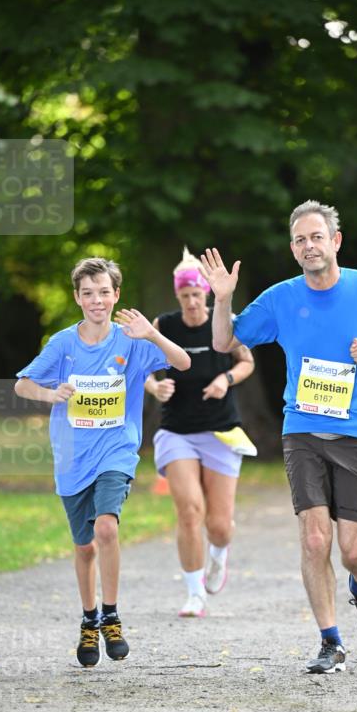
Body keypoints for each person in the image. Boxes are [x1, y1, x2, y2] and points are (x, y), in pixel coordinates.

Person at [201, 200, 357, 674]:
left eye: (317, 237)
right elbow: (224, 342)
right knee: (313, 539)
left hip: (356, 435)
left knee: (356, 552)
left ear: (335, 241)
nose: (309, 246)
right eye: (301, 240)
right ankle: (331, 641)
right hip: (301, 432)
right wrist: (222, 298)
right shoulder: (281, 298)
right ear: (293, 248)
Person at [14, 257, 190, 668]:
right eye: (88, 293)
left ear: (116, 295)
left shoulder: (132, 340)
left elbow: (183, 363)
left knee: (106, 528)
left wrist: (153, 335)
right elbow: (22, 384)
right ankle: (88, 618)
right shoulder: (62, 345)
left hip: (117, 450)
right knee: (85, 547)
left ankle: (111, 615)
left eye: (104, 292)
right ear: (77, 298)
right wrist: (51, 394)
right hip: (73, 458)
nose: (97, 300)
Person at [143, 248, 255, 618]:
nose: (191, 301)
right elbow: (141, 366)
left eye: (196, 294)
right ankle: (194, 594)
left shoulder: (225, 321)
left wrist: (225, 379)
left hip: (221, 429)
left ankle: (219, 555)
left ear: (206, 292)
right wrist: (154, 387)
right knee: (190, 512)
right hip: (177, 431)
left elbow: (246, 362)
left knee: (219, 525)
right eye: (185, 295)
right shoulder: (166, 325)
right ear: (178, 295)